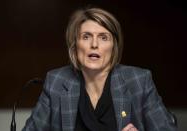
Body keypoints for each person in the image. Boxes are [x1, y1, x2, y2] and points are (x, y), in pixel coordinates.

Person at [22, 7, 177, 131]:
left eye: (103, 37)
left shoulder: (138, 81)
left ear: (114, 47)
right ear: (75, 46)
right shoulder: (56, 81)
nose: (94, 44)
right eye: (86, 36)